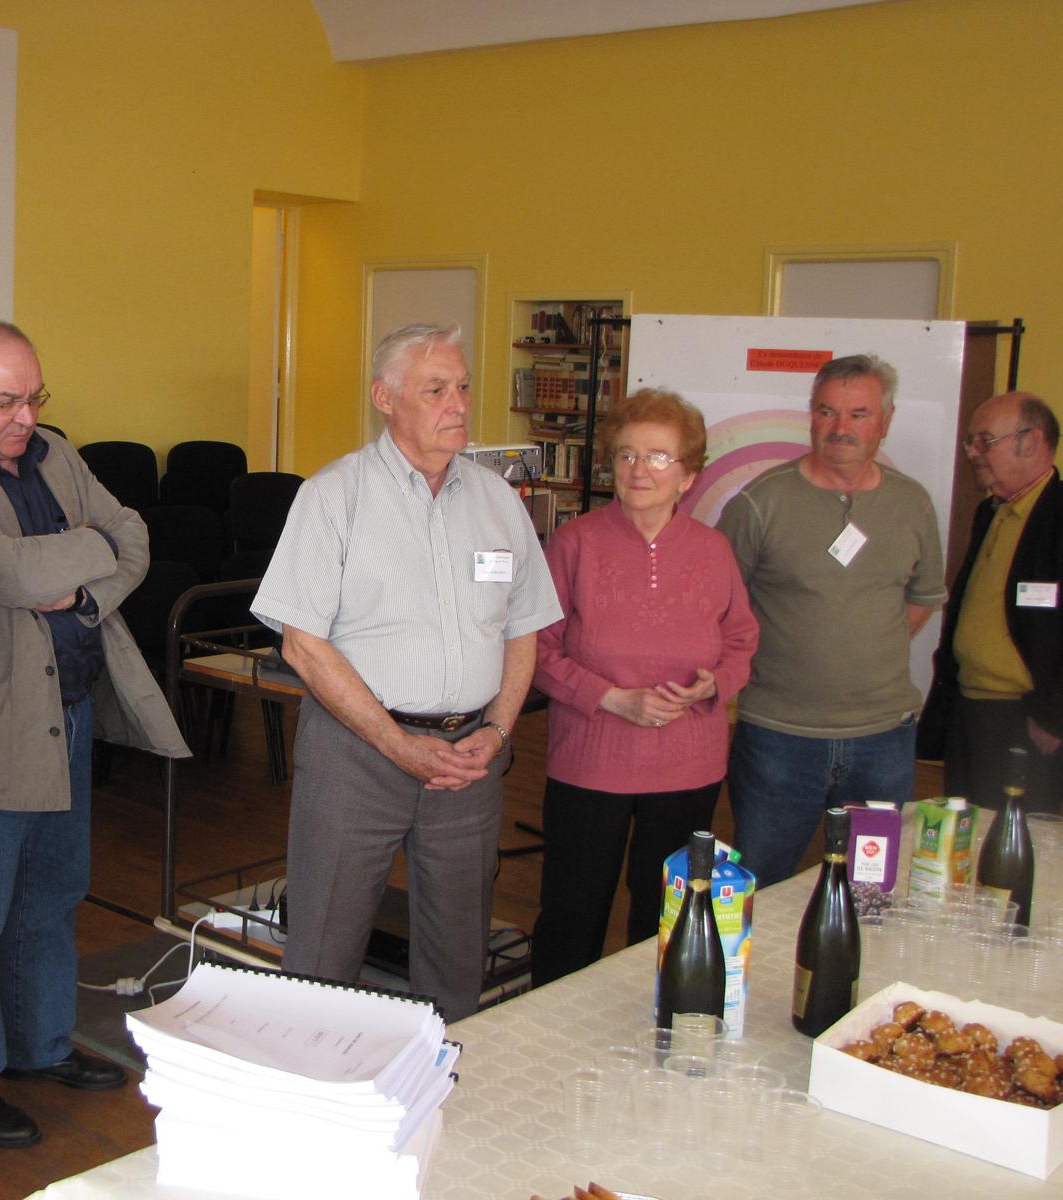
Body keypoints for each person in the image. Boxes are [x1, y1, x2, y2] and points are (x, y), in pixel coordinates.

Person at [0, 319, 188, 1149]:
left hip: (68, 706)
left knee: (53, 895)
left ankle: (39, 1045)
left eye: (35, 397)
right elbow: (12, 573)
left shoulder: (55, 454)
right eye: (6, 401)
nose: (26, 416)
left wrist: (83, 588)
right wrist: (88, 547)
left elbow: (134, 536)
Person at [252, 322, 562, 1021]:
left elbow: (524, 626)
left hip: (467, 762)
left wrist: (497, 733)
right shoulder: (334, 496)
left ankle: (443, 1076)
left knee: (457, 960)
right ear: (384, 398)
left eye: (463, 387)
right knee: (323, 951)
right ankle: (308, 1078)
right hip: (356, 755)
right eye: (436, 390)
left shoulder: (496, 500)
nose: (459, 404)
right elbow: (303, 645)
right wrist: (397, 744)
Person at [529, 389, 757, 986]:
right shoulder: (574, 544)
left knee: (668, 919)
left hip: (687, 767)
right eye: (626, 454)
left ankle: (655, 1022)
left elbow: (741, 640)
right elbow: (536, 649)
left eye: (658, 457)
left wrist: (713, 684)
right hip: (590, 764)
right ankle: (554, 1024)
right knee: (572, 914)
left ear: (688, 475)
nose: (638, 470)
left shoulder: (714, 551)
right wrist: (612, 698)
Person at [717, 353, 946, 887]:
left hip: (883, 738)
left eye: (858, 414)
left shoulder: (912, 504)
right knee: (762, 883)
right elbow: (721, 604)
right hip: (779, 736)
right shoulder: (760, 503)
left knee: (873, 888)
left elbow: (922, 597)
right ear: (811, 415)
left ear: (886, 420)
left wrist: (862, 651)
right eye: (827, 411)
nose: (840, 428)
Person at [922, 392, 1063, 813]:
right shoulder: (991, 511)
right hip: (971, 712)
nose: (972, 453)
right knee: (968, 834)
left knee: (1017, 840)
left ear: (1031, 441)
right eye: (971, 441)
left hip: (1029, 722)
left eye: (985, 441)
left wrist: (1054, 716)